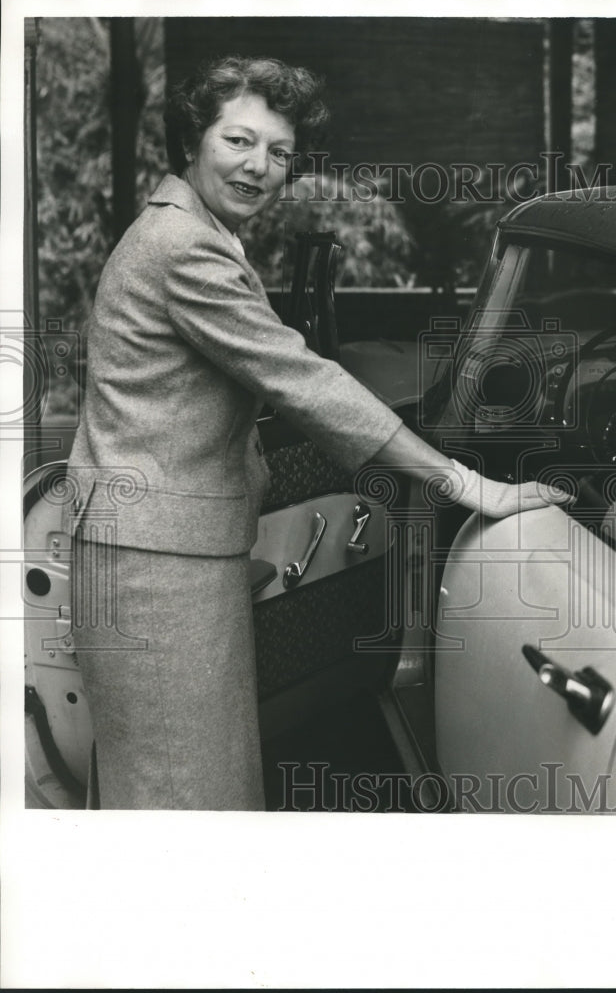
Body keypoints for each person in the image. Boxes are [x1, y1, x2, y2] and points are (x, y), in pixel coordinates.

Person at [65, 55, 569, 810]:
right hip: (153, 561)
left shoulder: (189, 230)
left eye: (278, 153)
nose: (258, 167)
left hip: (160, 546)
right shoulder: (182, 247)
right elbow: (303, 382)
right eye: (238, 141)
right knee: (182, 797)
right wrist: (471, 485)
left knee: (178, 785)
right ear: (192, 141)